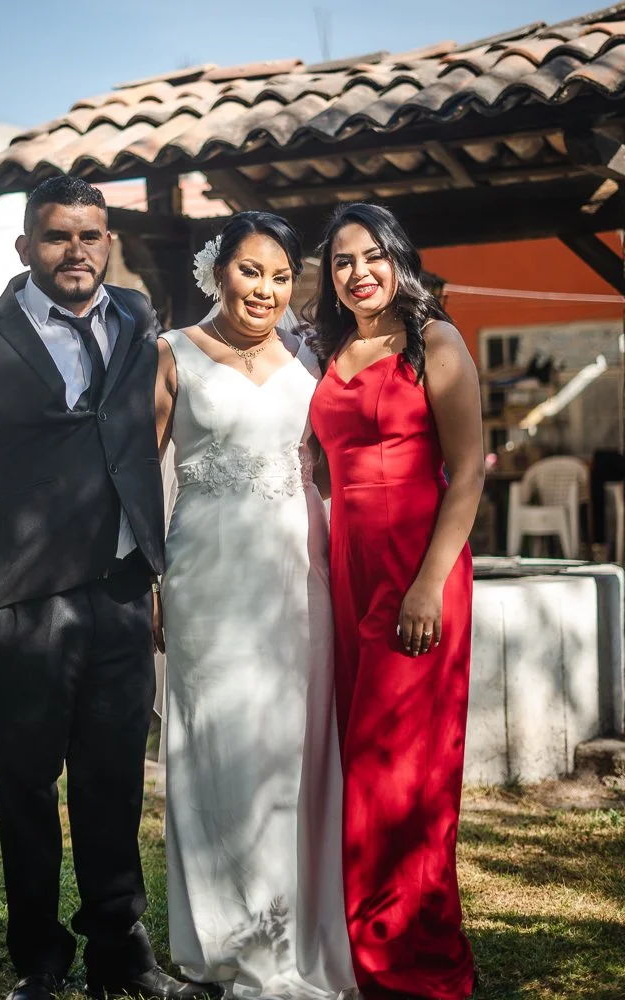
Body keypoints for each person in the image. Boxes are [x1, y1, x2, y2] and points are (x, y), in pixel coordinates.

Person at [0, 176, 211, 1000]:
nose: (76, 250)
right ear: (25, 247)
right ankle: (41, 962)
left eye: (90, 235)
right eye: (57, 236)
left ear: (108, 240)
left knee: (114, 782)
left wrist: (152, 568)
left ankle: (121, 954)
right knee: (25, 788)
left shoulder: (137, 320)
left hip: (120, 595)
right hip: (20, 609)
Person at [154, 212, 355, 1000]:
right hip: (205, 575)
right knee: (215, 748)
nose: (265, 290)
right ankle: (223, 943)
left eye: (280, 276)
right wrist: (148, 582)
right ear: (217, 270)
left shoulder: (310, 355)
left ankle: (291, 932)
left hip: (296, 579)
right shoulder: (170, 353)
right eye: (250, 271)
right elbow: (140, 473)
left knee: (288, 752)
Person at [306, 203, 484, 1000]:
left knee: (403, 769)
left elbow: (471, 468)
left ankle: (411, 959)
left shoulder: (434, 341)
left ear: (399, 258)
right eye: (343, 261)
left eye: (372, 256)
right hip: (349, 569)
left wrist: (426, 584)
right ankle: (359, 941)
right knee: (359, 758)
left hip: (419, 568)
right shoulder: (332, 349)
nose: (358, 272)